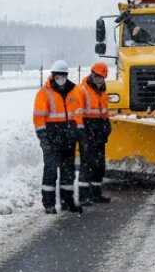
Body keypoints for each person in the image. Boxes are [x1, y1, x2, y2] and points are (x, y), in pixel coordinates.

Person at [33, 60, 84, 214]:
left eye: (63, 76)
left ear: (67, 76)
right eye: (57, 76)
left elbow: (78, 113)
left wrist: (79, 130)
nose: (60, 79)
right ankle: (49, 204)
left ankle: (67, 201)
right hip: (51, 139)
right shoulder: (44, 93)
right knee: (50, 171)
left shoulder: (75, 91)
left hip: (69, 138)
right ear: (53, 76)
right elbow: (38, 117)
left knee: (68, 173)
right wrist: (43, 137)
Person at [75, 61, 112, 206]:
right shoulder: (82, 90)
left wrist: (107, 125)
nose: (99, 80)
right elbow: (77, 113)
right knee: (87, 163)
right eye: (97, 77)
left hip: (99, 130)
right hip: (87, 129)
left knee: (99, 164)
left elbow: (104, 111)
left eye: (102, 77)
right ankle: (84, 196)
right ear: (92, 75)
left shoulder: (102, 92)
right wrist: (81, 131)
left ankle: (96, 194)